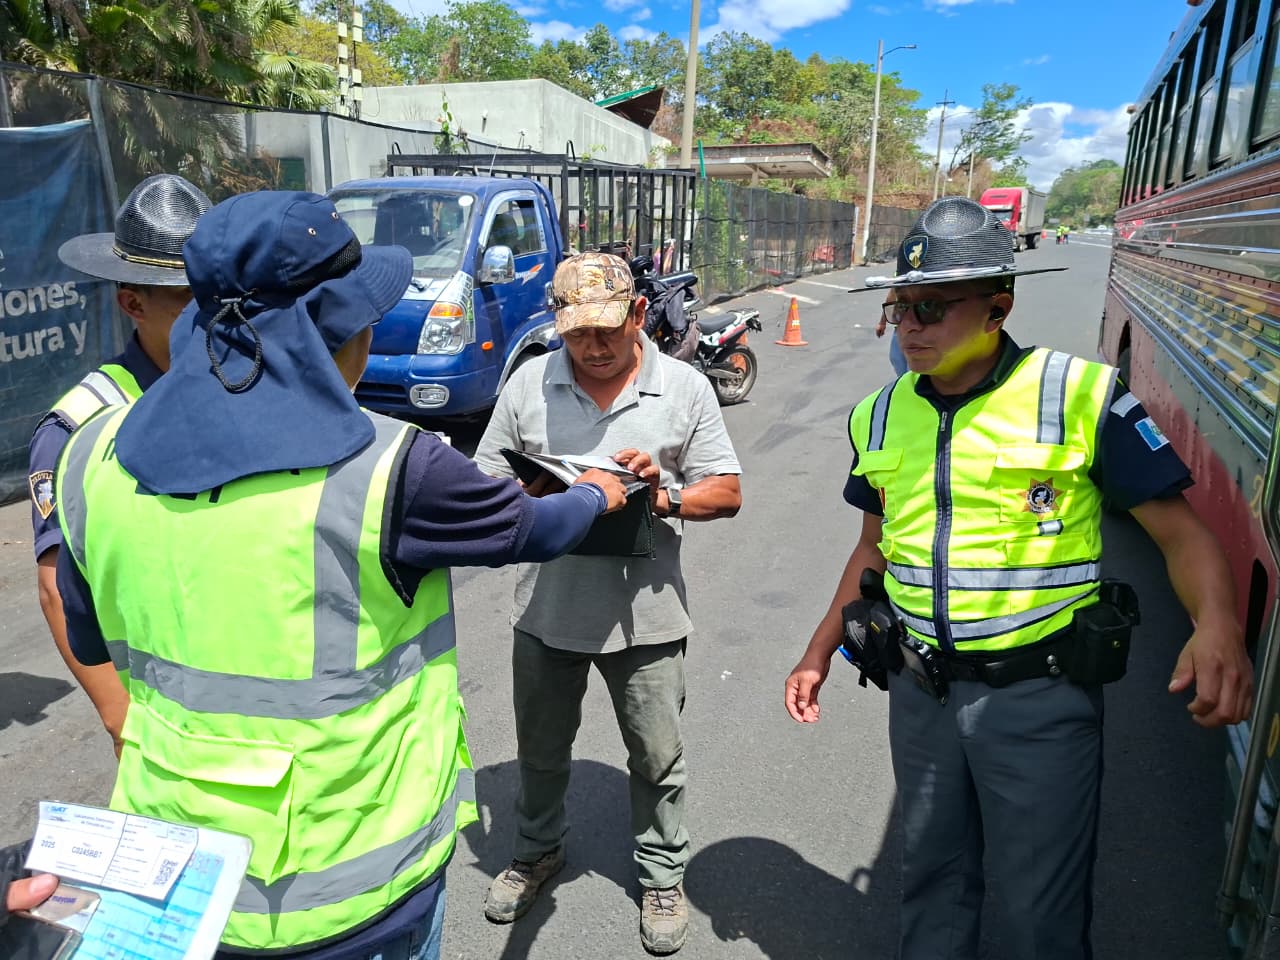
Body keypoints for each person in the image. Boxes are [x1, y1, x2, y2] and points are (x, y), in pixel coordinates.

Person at [53, 191, 633, 960]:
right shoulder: (394, 467)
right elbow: (536, 527)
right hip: (352, 892)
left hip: (176, 877)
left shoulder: (88, 454)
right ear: (336, 331)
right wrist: (597, 492)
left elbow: (91, 638)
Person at [784, 196, 1254, 960]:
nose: (909, 326)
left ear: (998, 307)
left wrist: (1218, 624)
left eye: (930, 307)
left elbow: (1181, 534)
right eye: (900, 307)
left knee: (1042, 911)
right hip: (921, 693)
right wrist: (818, 653)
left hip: (1041, 698)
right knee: (932, 884)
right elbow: (873, 549)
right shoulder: (878, 414)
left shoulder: (1081, 397)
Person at [473, 251, 744, 956]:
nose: (593, 346)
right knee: (540, 751)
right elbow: (484, 478)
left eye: (607, 329)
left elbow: (727, 491)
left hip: (647, 617)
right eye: (577, 332)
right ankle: (536, 852)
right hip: (547, 609)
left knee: (656, 756)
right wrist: (532, 494)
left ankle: (662, 875)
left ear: (638, 314)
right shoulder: (529, 383)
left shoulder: (683, 388)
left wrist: (662, 495)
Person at [29, 173, 210, 757]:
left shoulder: (233, 389)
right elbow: (57, 588)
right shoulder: (80, 424)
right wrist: (120, 718)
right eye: (190, 301)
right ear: (133, 303)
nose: (215, 316)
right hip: (154, 714)